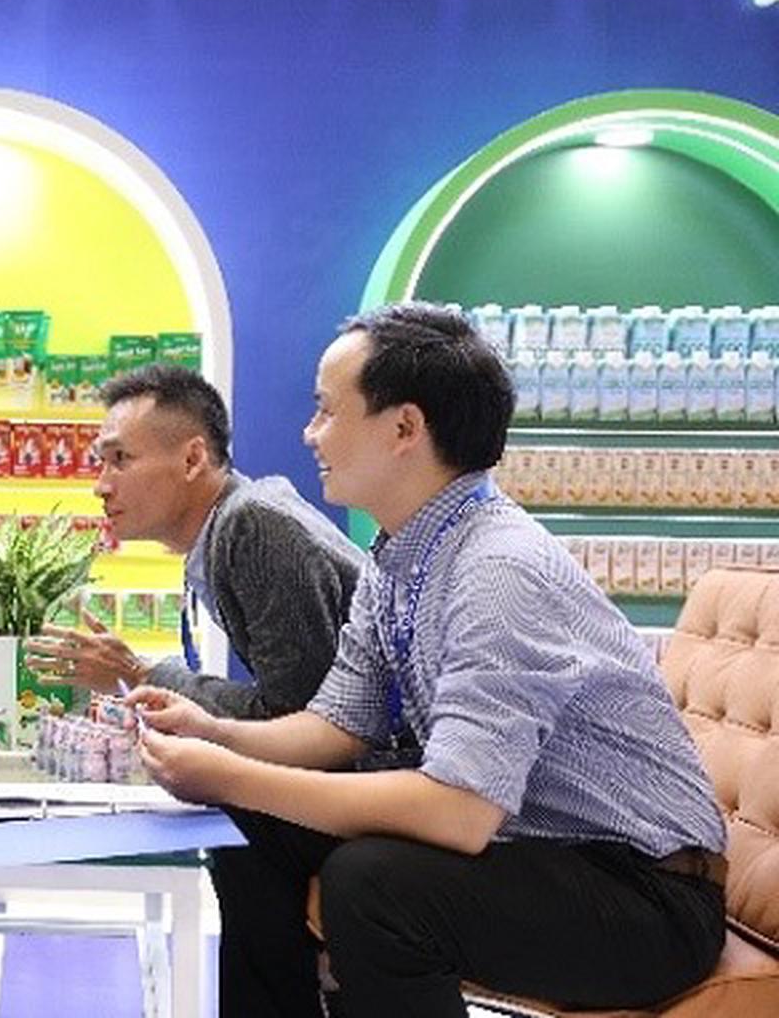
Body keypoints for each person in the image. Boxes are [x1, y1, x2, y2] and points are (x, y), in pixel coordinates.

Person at [131, 304, 727, 1018]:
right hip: (540, 854)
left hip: (646, 895)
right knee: (253, 827)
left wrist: (230, 772)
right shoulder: (400, 556)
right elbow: (337, 725)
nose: (310, 433)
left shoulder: (499, 571)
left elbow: (458, 811)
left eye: (327, 411)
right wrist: (215, 734)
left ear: (404, 428)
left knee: (372, 884)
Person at [21, 363, 368, 1014]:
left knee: (244, 821)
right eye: (100, 462)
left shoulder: (252, 527)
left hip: (381, 788)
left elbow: (302, 715)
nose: (100, 484)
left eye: (120, 459)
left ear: (192, 458)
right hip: (366, 779)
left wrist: (142, 674)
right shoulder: (235, 522)